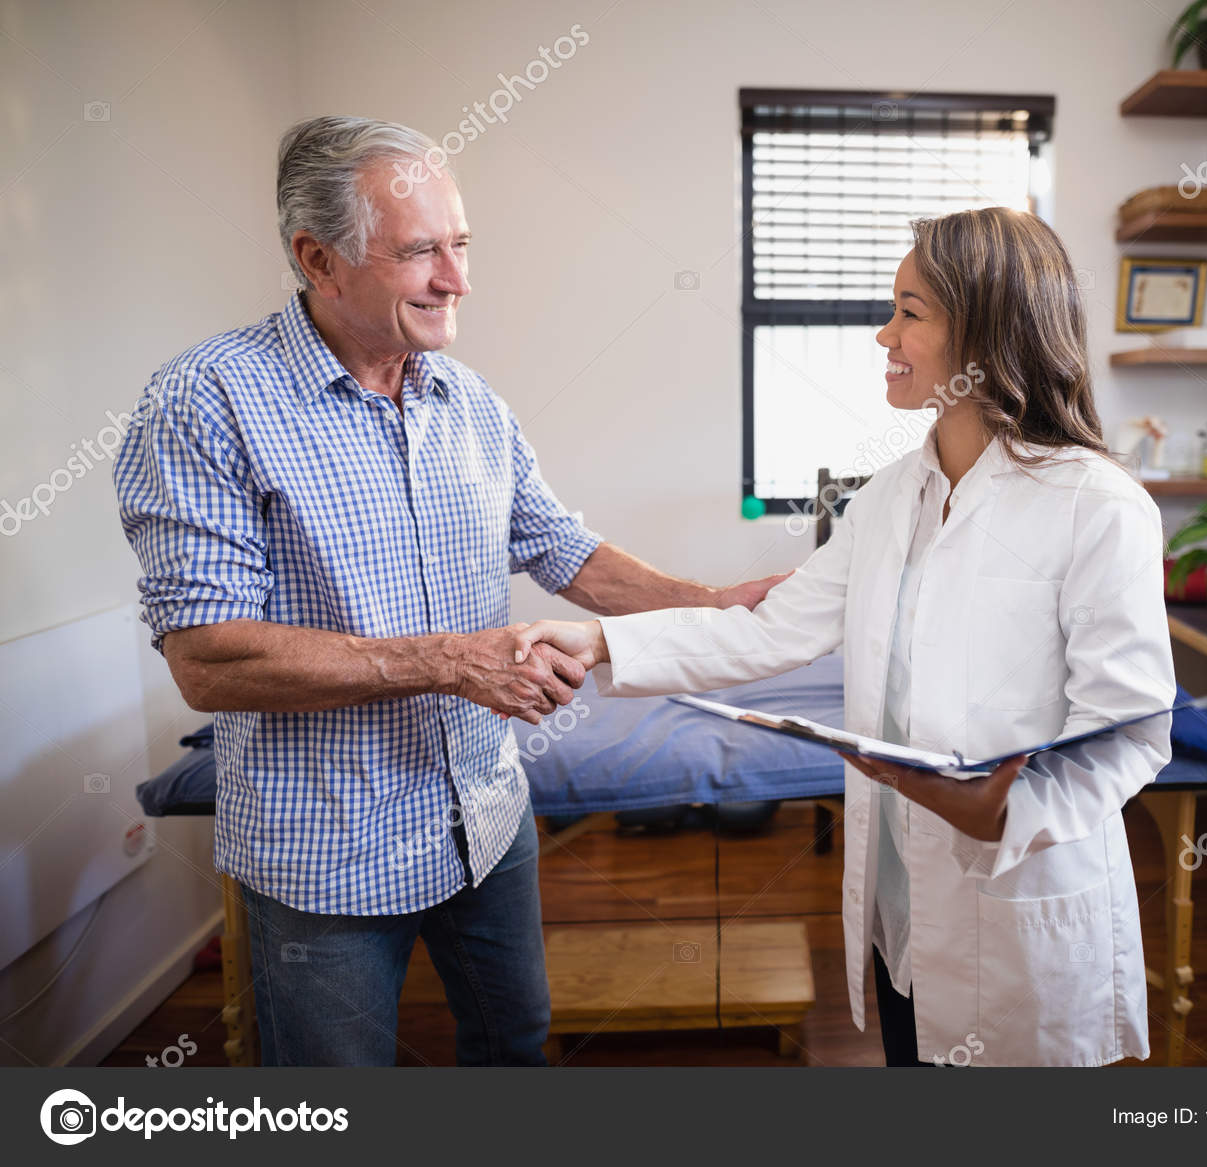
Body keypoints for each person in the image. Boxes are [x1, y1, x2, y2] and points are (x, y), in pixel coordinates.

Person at [111, 116, 787, 1067]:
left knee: (513, 1042)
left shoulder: (468, 402)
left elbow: (566, 550)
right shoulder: (205, 400)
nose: (457, 279)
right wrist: (449, 662)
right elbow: (209, 660)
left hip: (485, 817)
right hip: (327, 849)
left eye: (460, 245)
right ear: (318, 258)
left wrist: (714, 603)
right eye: (422, 251)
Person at [521, 207, 1176, 1066]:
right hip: (900, 908)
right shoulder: (886, 499)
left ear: (983, 331)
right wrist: (603, 644)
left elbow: (1129, 726)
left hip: (1016, 906)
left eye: (910, 311)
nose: (883, 334)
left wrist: (1014, 809)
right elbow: (769, 628)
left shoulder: (1098, 506)